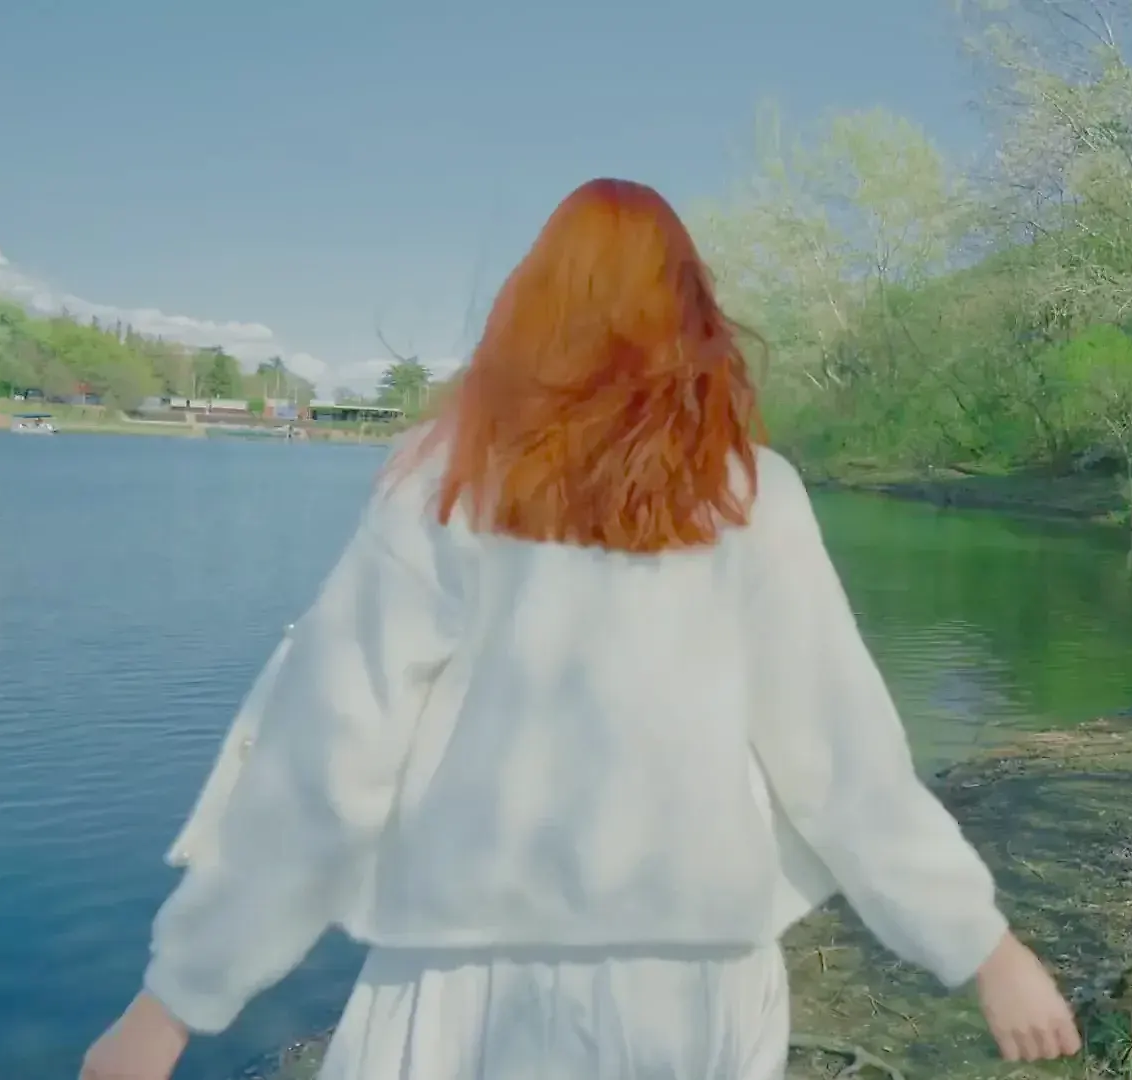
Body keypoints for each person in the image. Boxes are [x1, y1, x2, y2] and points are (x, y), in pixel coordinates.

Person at [81, 178, 1080, 1080]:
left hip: (462, 989)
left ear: (532, 310)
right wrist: (985, 950)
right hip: (692, 991)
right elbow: (839, 761)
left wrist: (171, 1006)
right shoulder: (750, 496)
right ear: (693, 319)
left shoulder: (445, 484)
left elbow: (327, 762)